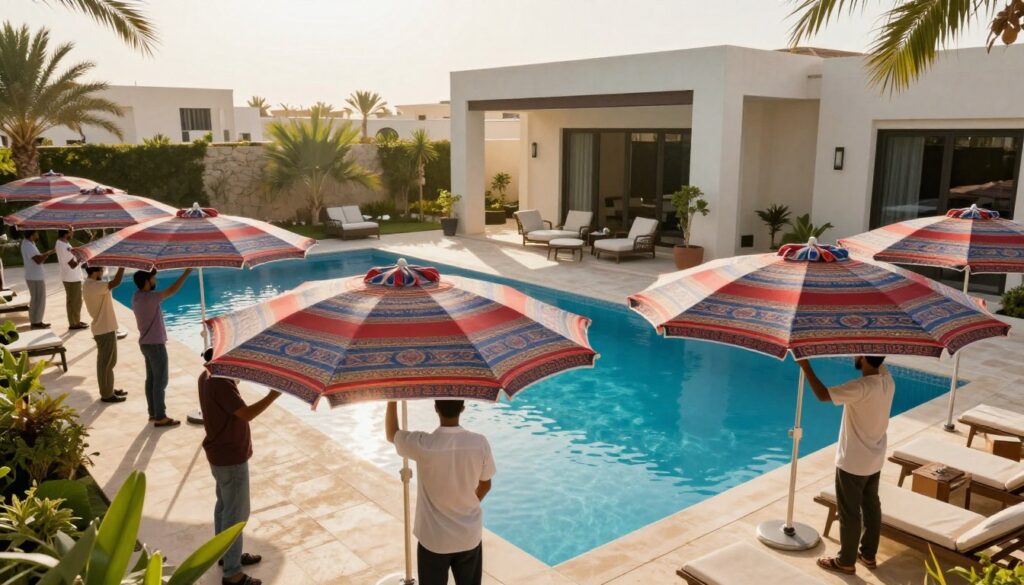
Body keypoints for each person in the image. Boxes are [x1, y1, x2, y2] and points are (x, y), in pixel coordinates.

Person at [798, 356, 895, 576]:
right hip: (874, 457)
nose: (854, 356)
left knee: (849, 512)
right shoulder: (888, 380)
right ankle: (868, 555)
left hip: (852, 461)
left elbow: (823, 395)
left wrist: (806, 367)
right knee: (871, 506)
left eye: (857, 353)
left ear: (863, 358)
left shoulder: (861, 387)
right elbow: (877, 359)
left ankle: (845, 561)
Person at [385, 400, 495, 585]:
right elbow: (486, 484)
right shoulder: (479, 443)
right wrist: (465, 504)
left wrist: (391, 402)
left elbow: (391, 434)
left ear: (436, 409)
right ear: (462, 408)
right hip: (468, 536)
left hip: (433, 540)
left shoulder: (423, 444)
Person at [198, 349, 278, 585]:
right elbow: (246, 414)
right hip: (230, 458)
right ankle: (232, 573)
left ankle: (224, 553)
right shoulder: (221, 382)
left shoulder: (208, 374)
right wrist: (272, 395)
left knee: (224, 508)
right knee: (236, 514)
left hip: (220, 454)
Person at [131, 268, 192, 428]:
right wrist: (186, 272)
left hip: (145, 344)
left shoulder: (137, 297)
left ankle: (152, 413)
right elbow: (172, 290)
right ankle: (160, 416)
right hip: (156, 345)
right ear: (146, 282)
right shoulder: (151, 298)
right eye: (153, 278)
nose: (155, 281)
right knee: (160, 381)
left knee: (151, 380)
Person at [83, 265, 127, 403]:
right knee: (105, 364)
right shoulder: (94, 286)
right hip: (104, 329)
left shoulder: (92, 284)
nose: (103, 272)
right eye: (101, 270)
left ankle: (109, 389)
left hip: (105, 328)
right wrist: (122, 266)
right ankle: (106, 394)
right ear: (95, 272)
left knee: (109, 362)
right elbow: (116, 282)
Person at [20, 230, 54, 329]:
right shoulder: (28, 245)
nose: (38, 235)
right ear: (32, 235)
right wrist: (48, 253)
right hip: (34, 277)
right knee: (38, 300)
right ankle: (36, 322)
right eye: (36, 233)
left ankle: (36, 321)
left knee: (37, 299)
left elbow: (38, 258)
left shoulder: (29, 243)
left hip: (34, 276)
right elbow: (38, 260)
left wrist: (46, 254)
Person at [55, 229, 87, 330]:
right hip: (72, 277)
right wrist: (80, 257)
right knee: (76, 302)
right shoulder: (65, 246)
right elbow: (72, 264)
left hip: (67, 276)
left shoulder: (60, 242)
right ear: (66, 233)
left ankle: (74, 321)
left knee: (70, 302)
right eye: (71, 231)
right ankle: (75, 323)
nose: (73, 233)